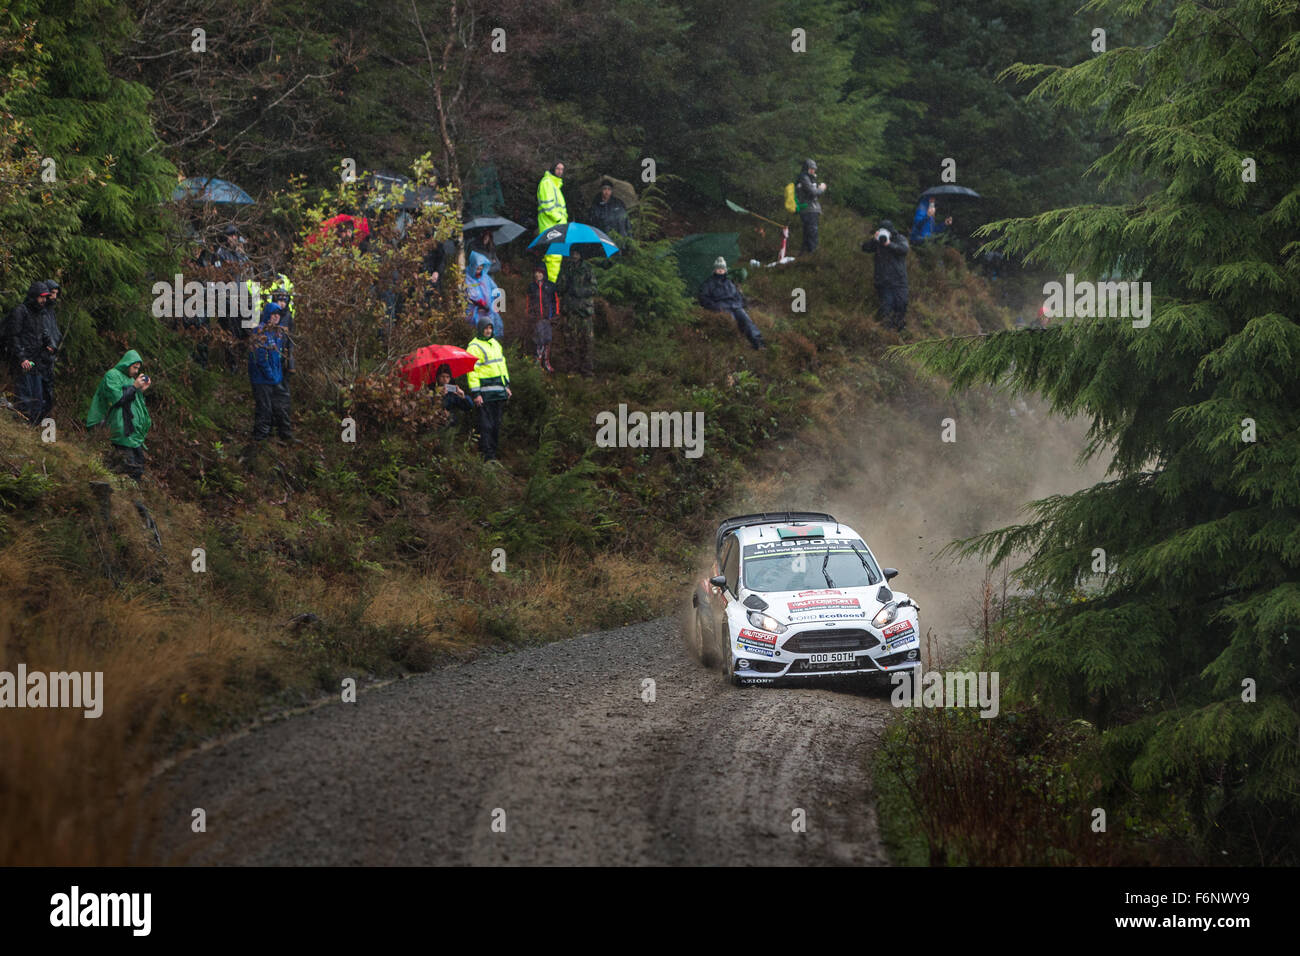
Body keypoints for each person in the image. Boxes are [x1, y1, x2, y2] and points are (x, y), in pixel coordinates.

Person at [85, 350, 152, 480]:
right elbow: (118, 399)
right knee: (127, 466)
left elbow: (135, 403)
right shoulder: (112, 375)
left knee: (138, 466)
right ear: (127, 364)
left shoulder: (131, 380)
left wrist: (140, 390)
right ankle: (125, 494)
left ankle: (133, 495)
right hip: (118, 430)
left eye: (138, 368)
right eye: (134, 367)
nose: (136, 371)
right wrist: (134, 387)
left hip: (132, 434)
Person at [465, 317, 511, 461]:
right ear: (480, 329)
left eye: (490, 328)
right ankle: (486, 456)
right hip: (484, 394)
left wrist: (506, 386)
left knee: (496, 425)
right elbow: (472, 372)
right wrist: (476, 393)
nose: (488, 331)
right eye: (486, 328)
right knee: (486, 425)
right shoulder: (474, 347)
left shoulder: (495, 344)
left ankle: (492, 455)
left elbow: (502, 367)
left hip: (498, 392)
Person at [248, 303, 294, 443]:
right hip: (262, 379)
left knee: (281, 406)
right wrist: (270, 375)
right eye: (273, 314)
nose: (276, 317)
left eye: (278, 314)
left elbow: (279, 355)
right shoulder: (259, 332)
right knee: (264, 409)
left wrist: (278, 375)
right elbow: (260, 359)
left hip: (275, 378)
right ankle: (260, 439)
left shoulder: (278, 332)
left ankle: (285, 435)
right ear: (267, 314)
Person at [698, 257, 765, 350]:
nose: (720, 270)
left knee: (747, 321)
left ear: (725, 270)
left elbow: (737, 295)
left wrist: (740, 304)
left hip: (735, 306)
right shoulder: (709, 283)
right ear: (715, 270)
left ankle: (759, 344)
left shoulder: (729, 282)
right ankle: (732, 346)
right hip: (722, 307)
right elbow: (703, 298)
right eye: (718, 268)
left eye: (722, 268)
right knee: (731, 323)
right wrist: (715, 307)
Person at [862, 220, 910, 332]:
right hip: (883, 280)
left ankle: (898, 328)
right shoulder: (877, 242)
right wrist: (874, 240)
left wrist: (889, 244)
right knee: (887, 305)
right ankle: (884, 331)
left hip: (899, 279)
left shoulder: (899, 239)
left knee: (902, 303)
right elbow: (865, 248)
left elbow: (904, 250)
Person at [557, 252, 597, 376]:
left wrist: (580, 290)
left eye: (577, 253)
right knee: (570, 341)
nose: (574, 256)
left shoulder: (588, 269)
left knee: (587, 342)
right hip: (570, 311)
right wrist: (566, 283)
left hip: (585, 312)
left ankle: (587, 370)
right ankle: (572, 369)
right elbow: (559, 288)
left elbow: (594, 288)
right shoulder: (565, 269)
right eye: (572, 253)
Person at [536, 161, 568, 283]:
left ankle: (550, 285)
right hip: (551, 227)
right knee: (553, 258)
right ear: (553, 169)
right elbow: (548, 207)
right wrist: (559, 219)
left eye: (562, 169)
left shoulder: (555, 185)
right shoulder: (547, 183)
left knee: (555, 258)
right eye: (558, 168)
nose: (560, 171)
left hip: (557, 227)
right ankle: (549, 285)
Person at [526, 263, 558, 372]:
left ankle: (546, 361)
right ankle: (537, 362)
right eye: (536, 272)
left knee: (547, 339)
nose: (538, 275)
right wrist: (529, 314)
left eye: (540, 273)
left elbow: (555, 301)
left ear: (544, 274)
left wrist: (555, 315)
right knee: (538, 339)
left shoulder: (550, 286)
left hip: (547, 318)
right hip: (536, 318)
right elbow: (528, 301)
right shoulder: (531, 286)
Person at [465, 250, 504, 339]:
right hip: (475, 311)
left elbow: (495, 289)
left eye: (481, 268)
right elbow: (471, 293)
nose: (479, 270)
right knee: (477, 330)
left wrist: (498, 301)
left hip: (488, 310)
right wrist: (481, 303)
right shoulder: (468, 277)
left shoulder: (485, 277)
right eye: (478, 268)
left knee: (491, 328)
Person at [795, 159, 828, 253]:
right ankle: (812, 256)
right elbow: (813, 193)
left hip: (809, 209)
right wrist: (821, 189)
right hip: (809, 210)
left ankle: (804, 256)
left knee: (807, 235)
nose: (813, 171)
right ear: (806, 168)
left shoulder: (807, 178)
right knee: (812, 234)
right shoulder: (804, 177)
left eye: (814, 169)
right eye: (811, 168)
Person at [432, 362, 473, 428]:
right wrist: (440, 396)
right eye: (442, 376)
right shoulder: (431, 390)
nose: (445, 379)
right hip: (434, 424)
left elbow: (468, 407)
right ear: (438, 377)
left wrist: (463, 397)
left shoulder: (453, 391)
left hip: (450, 425)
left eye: (447, 377)